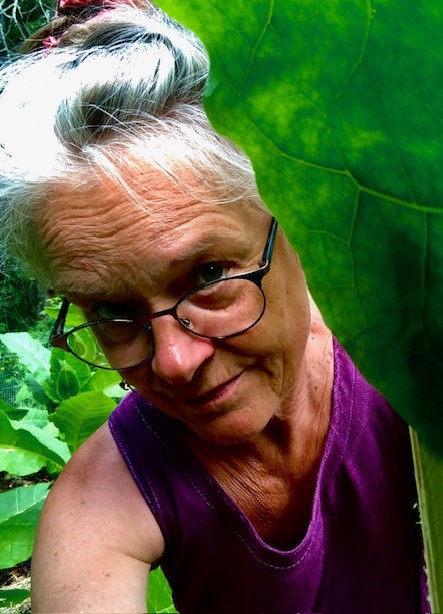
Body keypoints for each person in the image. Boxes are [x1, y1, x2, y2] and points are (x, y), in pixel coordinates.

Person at [0, 1, 429, 612]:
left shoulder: (409, 363)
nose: (174, 362)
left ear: (297, 227)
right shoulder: (100, 506)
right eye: (113, 311)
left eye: (208, 275)